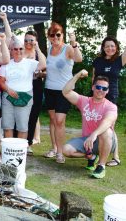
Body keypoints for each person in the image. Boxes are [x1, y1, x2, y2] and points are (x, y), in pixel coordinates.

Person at [62, 70, 117, 179]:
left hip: (107, 140)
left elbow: (108, 122)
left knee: (106, 131)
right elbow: (66, 92)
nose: (100, 90)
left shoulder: (111, 106)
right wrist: (77, 75)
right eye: (98, 87)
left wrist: (94, 134)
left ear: (107, 91)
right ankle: (92, 157)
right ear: (93, 87)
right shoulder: (84, 101)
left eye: (104, 88)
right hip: (88, 140)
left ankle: (101, 166)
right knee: (66, 150)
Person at [44, 22, 82, 164]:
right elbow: (50, 69)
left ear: (62, 35)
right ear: (49, 37)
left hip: (64, 91)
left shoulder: (67, 48)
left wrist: (74, 44)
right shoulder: (48, 50)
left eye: (58, 34)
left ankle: (60, 153)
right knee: (53, 121)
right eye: (52, 35)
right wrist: (41, 73)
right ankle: (54, 148)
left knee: (60, 121)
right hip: (49, 89)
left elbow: (79, 59)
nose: (55, 38)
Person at [0, 39, 46, 141]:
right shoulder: (6, 64)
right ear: (11, 50)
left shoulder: (30, 63)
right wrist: (8, 90)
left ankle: (20, 152)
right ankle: (9, 152)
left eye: (21, 49)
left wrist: (37, 48)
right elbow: (1, 81)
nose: (18, 51)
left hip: (25, 97)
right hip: (8, 96)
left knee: (22, 127)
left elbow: (43, 65)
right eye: (15, 49)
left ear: (24, 50)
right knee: (7, 126)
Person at [92, 36, 126, 167]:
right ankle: (96, 152)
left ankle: (116, 157)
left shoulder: (119, 60)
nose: (110, 48)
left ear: (116, 47)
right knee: (96, 123)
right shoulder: (97, 61)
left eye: (112, 46)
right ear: (103, 47)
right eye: (107, 46)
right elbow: (94, 78)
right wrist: (93, 93)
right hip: (97, 95)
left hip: (111, 96)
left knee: (110, 126)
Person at [24, 30, 47, 153]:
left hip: (36, 86)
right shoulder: (20, 51)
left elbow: (43, 65)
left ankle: (28, 144)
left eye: (31, 40)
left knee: (33, 115)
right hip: (23, 86)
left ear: (36, 41)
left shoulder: (38, 54)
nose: (28, 42)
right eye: (26, 40)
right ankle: (19, 140)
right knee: (22, 114)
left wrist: (37, 48)